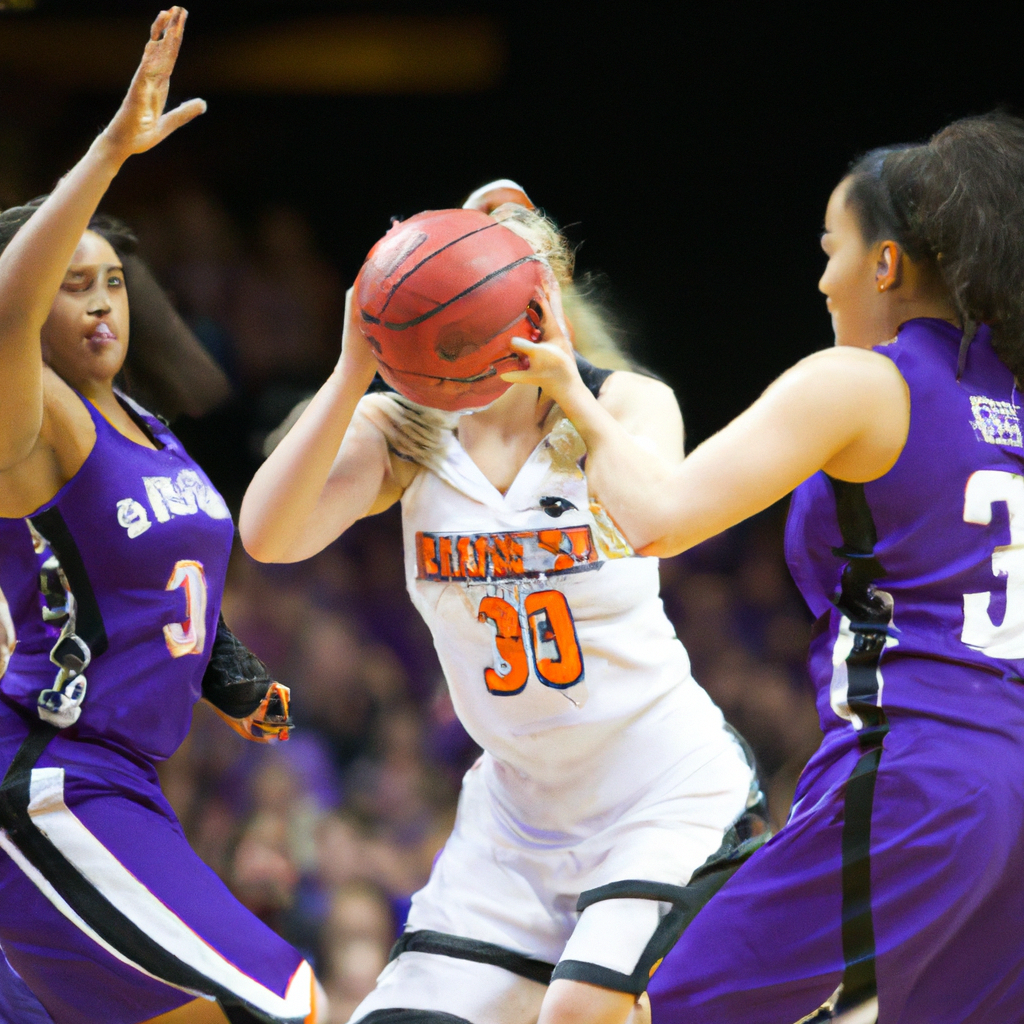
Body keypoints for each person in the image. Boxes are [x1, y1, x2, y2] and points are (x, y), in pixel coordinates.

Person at [504, 113, 1024, 1024]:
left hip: (919, 771)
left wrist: (568, 392)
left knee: (671, 1009)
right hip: (1011, 792)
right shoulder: (1010, 396)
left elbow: (656, 518)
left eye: (832, 247)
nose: (822, 277)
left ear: (887, 265)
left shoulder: (861, 381)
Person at [240, 182, 766, 1024]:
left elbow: (660, 527)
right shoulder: (405, 432)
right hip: (516, 821)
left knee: (579, 1012)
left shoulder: (628, 402)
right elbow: (269, 535)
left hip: (660, 790)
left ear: (538, 307)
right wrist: (352, 368)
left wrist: (578, 397)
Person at [0, 10, 326, 1024]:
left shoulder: (144, 423)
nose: (99, 305)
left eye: (112, 284)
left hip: (126, 778)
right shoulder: (30, 424)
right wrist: (108, 155)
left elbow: (146, 578)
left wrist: (228, 677)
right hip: (48, 777)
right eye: (71, 286)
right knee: (287, 997)